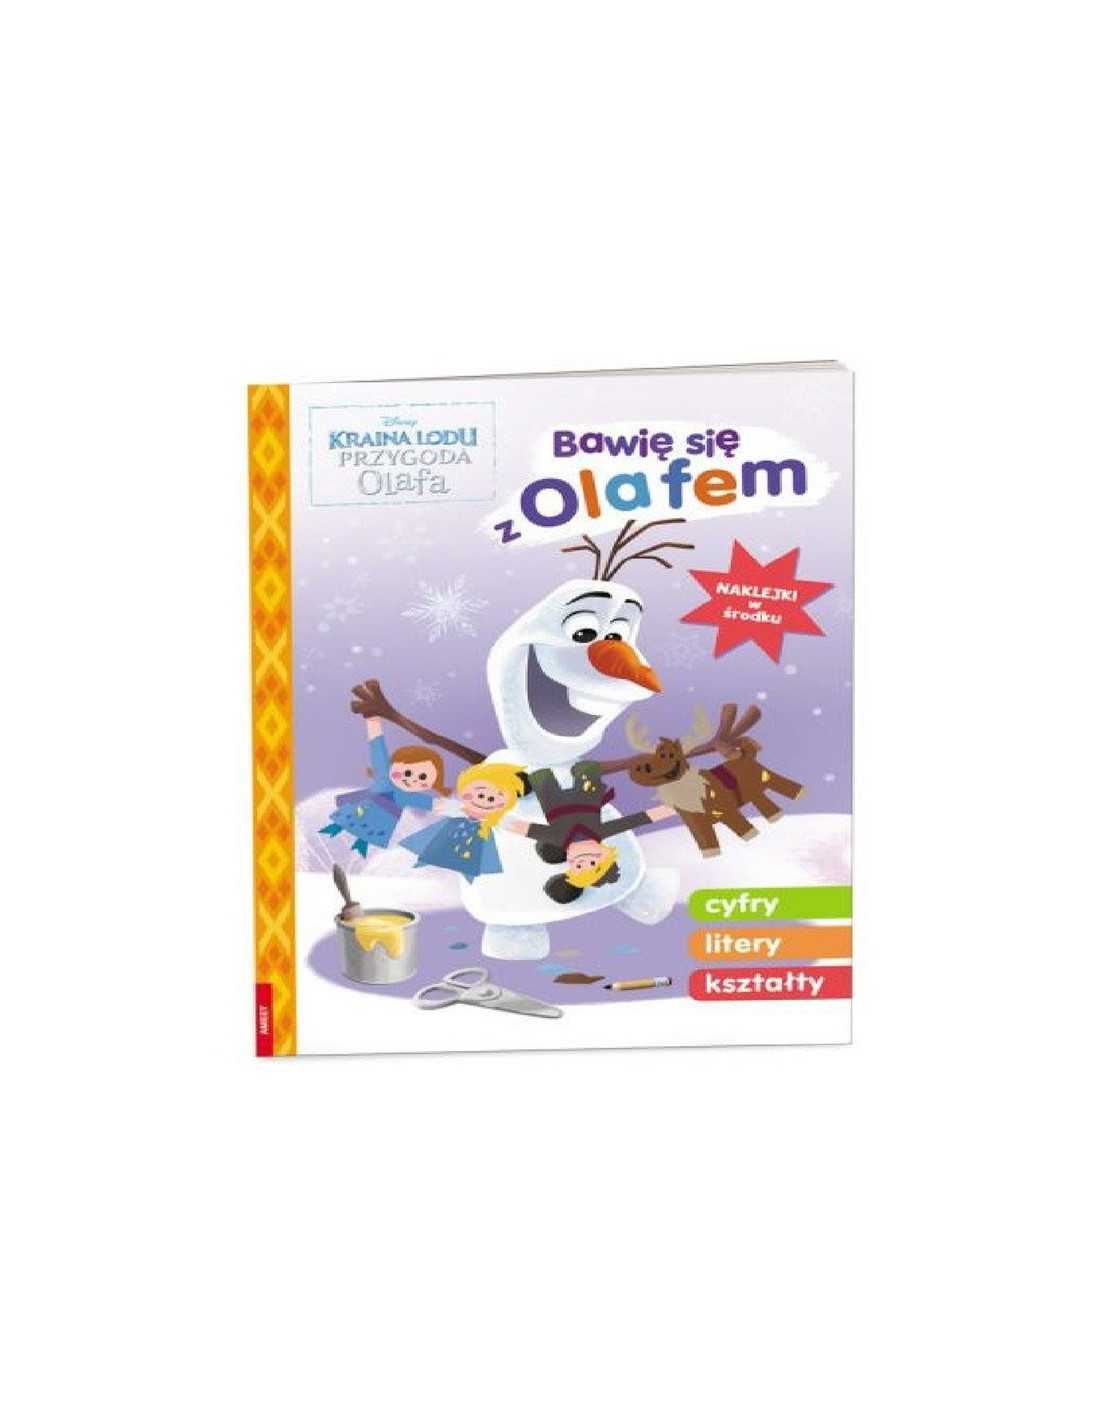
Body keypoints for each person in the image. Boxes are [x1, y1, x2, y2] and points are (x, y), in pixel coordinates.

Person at [319, 715, 448, 857]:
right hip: (365, 806)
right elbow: (377, 746)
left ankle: (359, 844)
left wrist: (457, 807)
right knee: (348, 821)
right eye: (408, 772)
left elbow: (432, 803)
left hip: (382, 820)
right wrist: (372, 720)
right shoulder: (384, 773)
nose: (412, 779)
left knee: (366, 836)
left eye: (422, 778)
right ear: (394, 764)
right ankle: (335, 829)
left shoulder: (409, 796)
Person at [399, 762, 527, 883]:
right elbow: (434, 804)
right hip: (447, 842)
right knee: (434, 856)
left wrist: (535, 831)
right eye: (480, 795)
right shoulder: (459, 808)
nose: (484, 801)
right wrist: (406, 798)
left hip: (471, 850)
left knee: (468, 868)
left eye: (491, 799)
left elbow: (520, 827)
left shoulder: (497, 820)